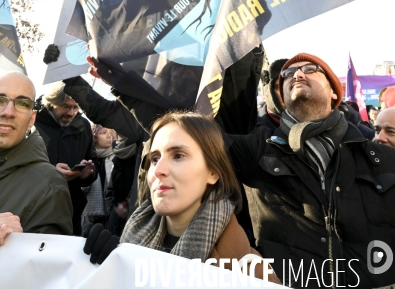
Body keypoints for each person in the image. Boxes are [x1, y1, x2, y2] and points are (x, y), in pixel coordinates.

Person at [88, 53, 395, 288]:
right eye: (287, 73)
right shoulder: (259, 151)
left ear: (334, 92)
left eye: (310, 69)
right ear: (281, 97)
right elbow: (185, 132)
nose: (297, 73)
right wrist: (124, 85)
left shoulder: (380, 155)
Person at [83, 111, 280, 283]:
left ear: (213, 171)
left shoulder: (251, 275)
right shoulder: (129, 242)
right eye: (154, 158)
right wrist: (103, 270)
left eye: (178, 155)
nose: (158, 170)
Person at [0, 71, 73, 243]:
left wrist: (12, 246)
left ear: (32, 119)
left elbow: (46, 267)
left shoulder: (50, 185)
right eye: (0, 100)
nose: (8, 112)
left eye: (22, 103)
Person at [34, 81, 98, 235]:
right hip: (36, 211)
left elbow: (93, 161)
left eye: (76, 107)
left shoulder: (83, 125)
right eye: (66, 106)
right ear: (52, 102)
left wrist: (87, 174)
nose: (71, 113)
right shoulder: (32, 122)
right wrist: (51, 173)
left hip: (71, 213)